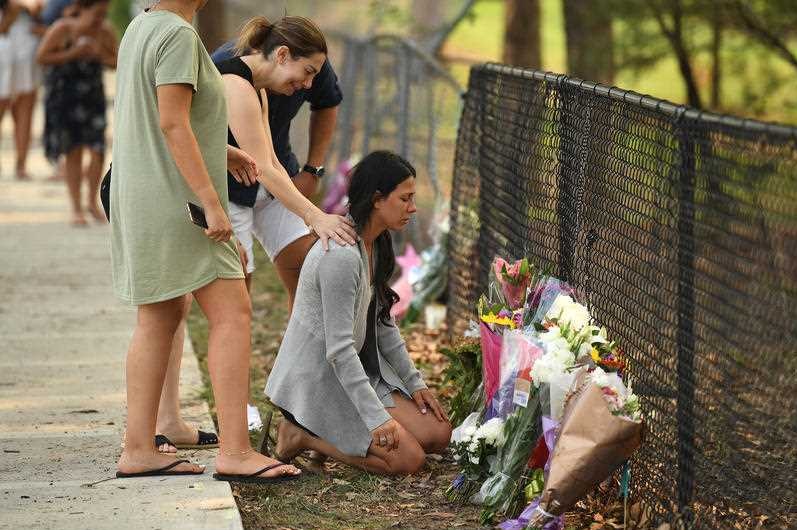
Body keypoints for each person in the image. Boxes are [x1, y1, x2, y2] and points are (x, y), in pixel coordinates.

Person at [109, 0, 355, 481]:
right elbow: (172, 122)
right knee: (232, 312)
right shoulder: (179, 37)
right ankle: (236, 452)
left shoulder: (141, 27)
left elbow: (159, 116)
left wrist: (220, 150)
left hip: (140, 194)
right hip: (179, 201)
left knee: (159, 317)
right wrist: (213, 202)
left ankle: (139, 447)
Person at [265, 151, 452, 476]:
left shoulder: (375, 244)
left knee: (438, 433)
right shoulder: (341, 257)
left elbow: (383, 325)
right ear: (378, 199)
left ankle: (324, 433)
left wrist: (414, 383)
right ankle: (302, 435)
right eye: (405, 198)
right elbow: (338, 352)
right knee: (407, 460)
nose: (413, 208)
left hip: (354, 371)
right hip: (320, 381)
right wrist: (376, 417)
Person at [36, 0, 116, 224]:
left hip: (92, 95)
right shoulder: (63, 28)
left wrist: (99, 54)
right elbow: (41, 58)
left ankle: (92, 201)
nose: (100, 19)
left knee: (98, 149)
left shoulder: (105, 31)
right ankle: (76, 206)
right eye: (97, 14)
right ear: (83, 9)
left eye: (103, 14)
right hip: (66, 96)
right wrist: (73, 53)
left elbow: (116, 60)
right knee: (73, 150)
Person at [0, 0, 44, 180]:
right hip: (6, 46)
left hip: (26, 45)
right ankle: (20, 164)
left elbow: (37, 8)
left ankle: (21, 163)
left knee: (25, 106)